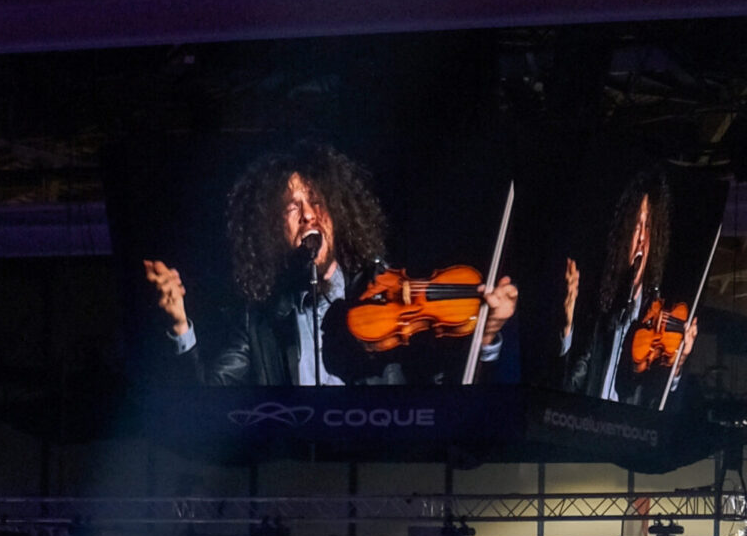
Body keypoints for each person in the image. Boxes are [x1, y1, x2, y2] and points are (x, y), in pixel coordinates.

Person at [144, 140, 518, 387]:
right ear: (273, 229)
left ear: (337, 216)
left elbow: (451, 393)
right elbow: (206, 403)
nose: (308, 215)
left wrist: (487, 334)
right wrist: (180, 325)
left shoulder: (382, 288)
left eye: (317, 201)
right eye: (292, 207)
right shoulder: (259, 322)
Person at [559, 166, 697, 407]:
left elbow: (659, 400)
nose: (642, 238)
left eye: (648, 227)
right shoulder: (601, 310)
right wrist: (567, 326)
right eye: (636, 225)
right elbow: (570, 385)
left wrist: (678, 364)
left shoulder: (653, 314)